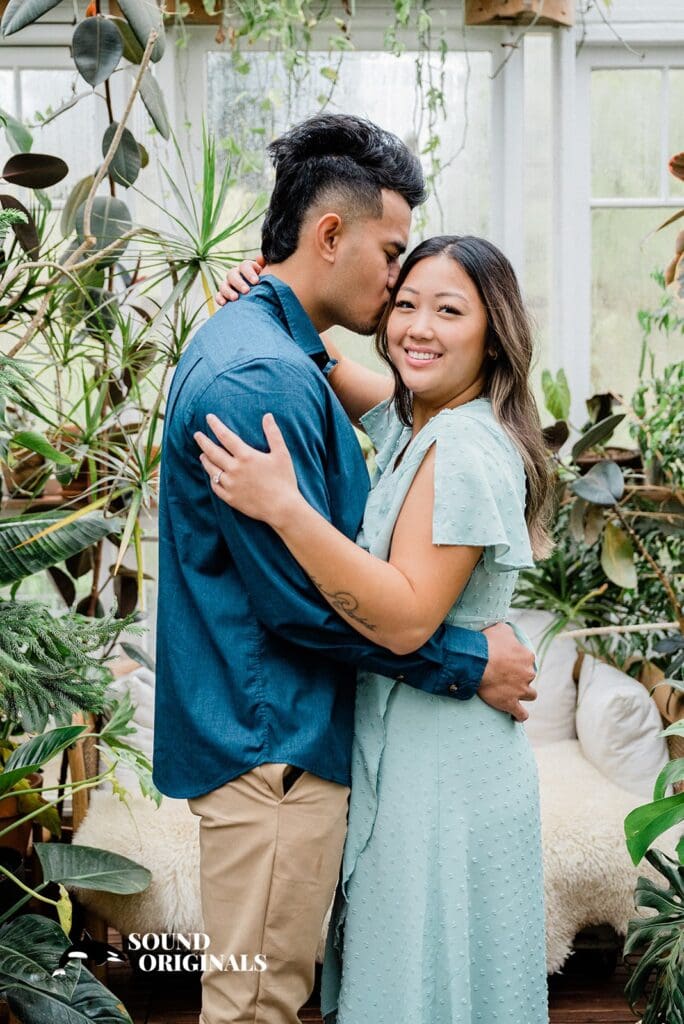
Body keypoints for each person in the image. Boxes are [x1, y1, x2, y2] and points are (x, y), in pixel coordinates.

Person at [154, 113, 538, 1024]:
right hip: (277, 749)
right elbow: (299, 606)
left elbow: (378, 411)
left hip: (370, 755)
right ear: (330, 234)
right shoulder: (269, 377)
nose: (404, 298)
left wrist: (274, 307)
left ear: (493, 335)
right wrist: (470, 662)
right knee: (258, 1004)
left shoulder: (419, 422)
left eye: (447, 308)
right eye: (397, 265)